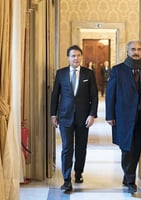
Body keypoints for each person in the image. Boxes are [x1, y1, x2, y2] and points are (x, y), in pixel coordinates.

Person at [105, 40, 141, 194]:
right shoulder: (118, 70)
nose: (136, 52)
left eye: (138, 49)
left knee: (136, 148)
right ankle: (129, 176)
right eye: (133, 49)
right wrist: (109, 115)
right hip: (123, 117)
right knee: (126, 148)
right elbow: (111, 94)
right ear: (127, 51)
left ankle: (130, 179)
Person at [50, 45, 98, 192]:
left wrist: (92, 114)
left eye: (78, 55)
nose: (76, 58)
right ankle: (66, 180)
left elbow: (94, 96)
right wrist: (53, 114)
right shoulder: (61, 73)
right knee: (66, 148)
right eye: (73, 56)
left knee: (81, 147)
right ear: (68, 58)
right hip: (65, 116)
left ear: (81, 57)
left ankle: (78, 172)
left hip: (83, 118)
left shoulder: (88, 74)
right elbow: (55, 95)